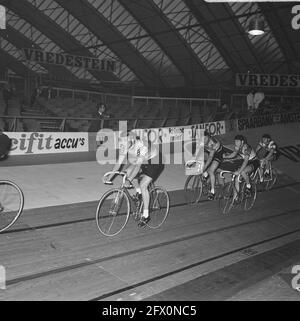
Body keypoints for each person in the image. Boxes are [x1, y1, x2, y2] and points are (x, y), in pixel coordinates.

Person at [104, 130, 164, 227]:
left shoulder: (141, 146)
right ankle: (139, 193)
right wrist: (109, 177)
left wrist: (129, 180)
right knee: (125, 173)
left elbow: (137, 167)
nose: (122, 145)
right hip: (141, 160)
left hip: (154, 162)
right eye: (121, 143)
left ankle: (146, 215)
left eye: (124, 142)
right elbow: (118, 164)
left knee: (143, 185)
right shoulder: (125, 146)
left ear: (131, 140)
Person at [223, 135, 259, 202]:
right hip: (247, 161)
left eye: (237, 141)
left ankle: (249, 186)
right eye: (235, 141)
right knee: (236, 178)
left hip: (254, 161)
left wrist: (239, 171)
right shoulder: (237, 147)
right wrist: (225, 157)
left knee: (242, 172)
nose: (236, 143)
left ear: (242, 142)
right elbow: (233, 154)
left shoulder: (246, 148)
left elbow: (245, 162)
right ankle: (235, 198)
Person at [202, 130, 225, 200]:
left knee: (211, 171)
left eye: (205, 138)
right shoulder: (202, 141)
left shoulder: (212, 143)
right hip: (210, 152)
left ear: (209, 137)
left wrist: (205, 167)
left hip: (218, 155)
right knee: (201, 163)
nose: (204, 140)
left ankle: (212, 192)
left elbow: (210, 157)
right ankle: (206, 176)